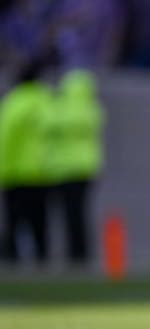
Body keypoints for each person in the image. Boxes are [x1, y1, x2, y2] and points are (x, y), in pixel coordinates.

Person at [47, 68, 105, 265]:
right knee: (78, 213)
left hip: (65, 168)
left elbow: (49, 125)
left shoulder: (60, 108)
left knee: (69, 214)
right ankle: (80, 252)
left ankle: (75, 254)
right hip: (87, 168)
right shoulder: (92, 109)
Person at [0, 62, 54, 265]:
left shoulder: (13, 103)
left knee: (15, 221)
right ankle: (43, 260)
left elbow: (5, 139)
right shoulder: (47, 101)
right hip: (43, 172)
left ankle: (13, 261)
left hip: (15, 172)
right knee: (40, 221)